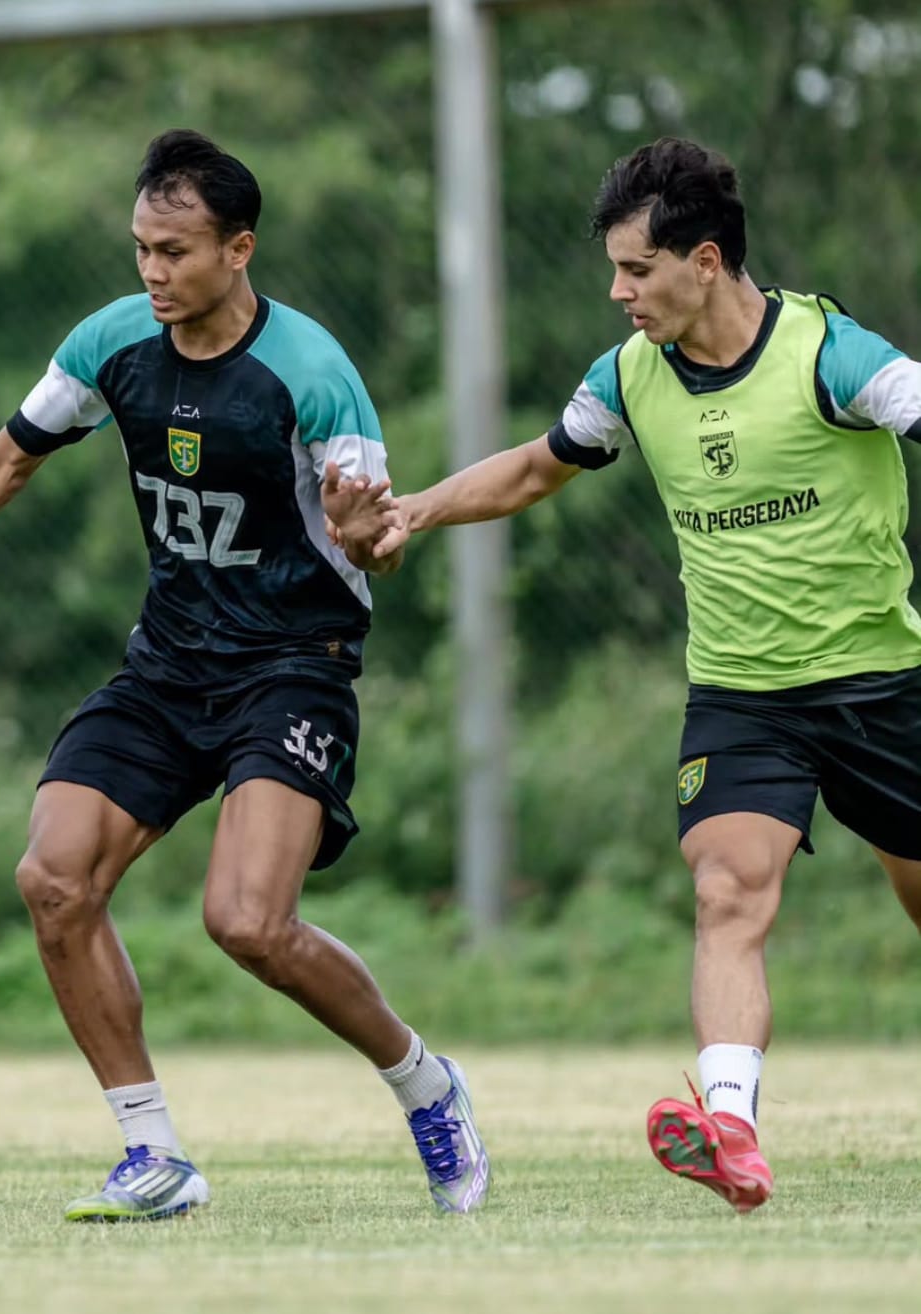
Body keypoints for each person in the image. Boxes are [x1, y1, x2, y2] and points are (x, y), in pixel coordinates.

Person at [0, 129, 489, 1222]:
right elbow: (7, 460)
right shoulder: (111, 342)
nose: (153, 273)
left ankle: (424, 1084)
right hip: (168, 664)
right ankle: (153, 1155)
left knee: (248, 925)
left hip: (292, 666)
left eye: (175, 252)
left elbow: (379, 547)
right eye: (141, 249)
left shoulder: (311, 374)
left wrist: (371, 534)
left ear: (238, 248)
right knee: (54, 879)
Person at [345, 136, 921, 1214]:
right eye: (614, 270)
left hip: (881, 686)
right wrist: (415, 509)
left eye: (635, 269)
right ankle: (731, 1130)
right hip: (741, 695)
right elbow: (535, 467)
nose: (618, 292)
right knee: (726, 893)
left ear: (704, 261)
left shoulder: (828, 355)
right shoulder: (628, 376)